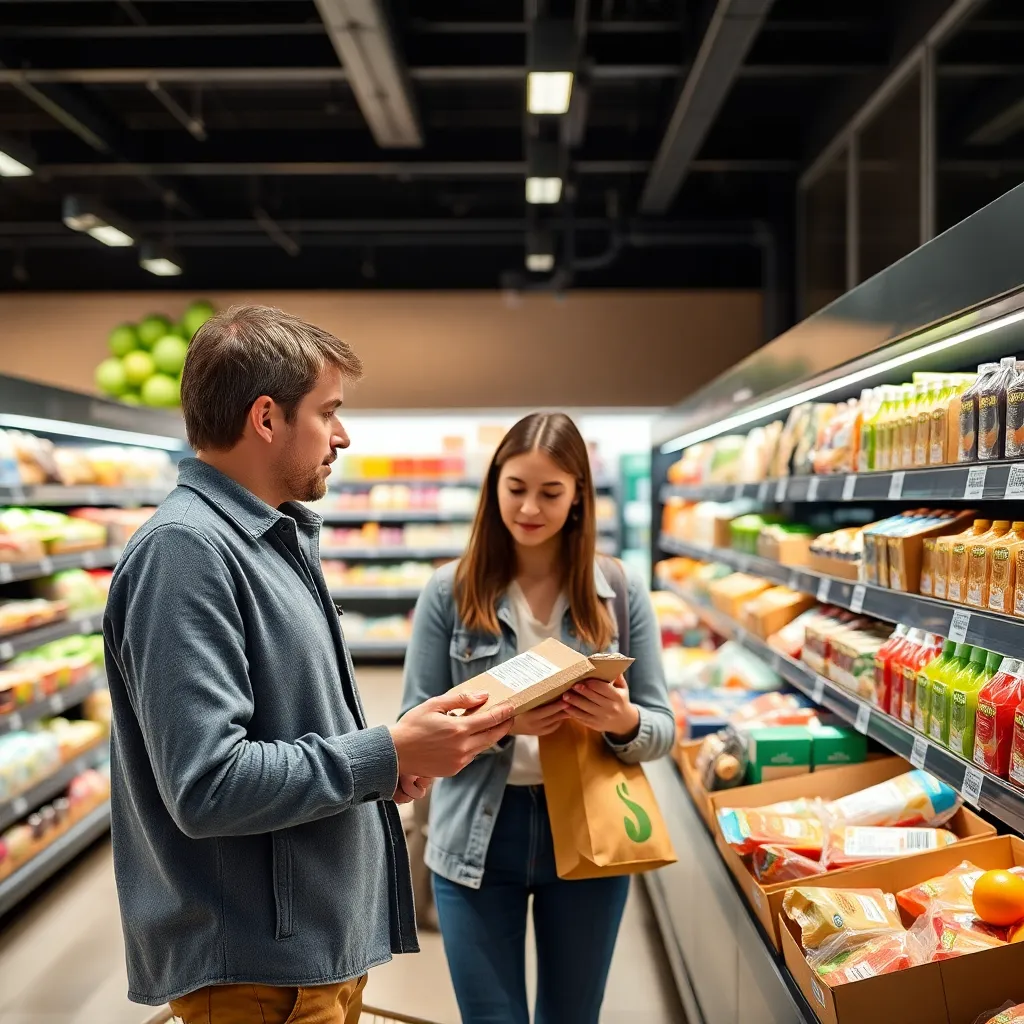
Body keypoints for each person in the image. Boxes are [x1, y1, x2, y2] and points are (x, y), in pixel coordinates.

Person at [102, 305, 514, 1024]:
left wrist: (391, 760)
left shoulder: (269, 538)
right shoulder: (186, 554)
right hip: (253, 971)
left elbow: (289, 728)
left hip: (304, 955)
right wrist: (377, 755)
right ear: (266, 418)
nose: (344, 436)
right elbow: (207, 784)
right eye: (329, 412)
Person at [400, 411, 675, 1024]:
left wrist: (623, 720)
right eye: (515, 488)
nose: (529, 507)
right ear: (494, 485)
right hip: (477, 833)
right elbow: (412, 724)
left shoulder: (620, 592)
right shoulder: (449, 591)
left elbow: (662, 728)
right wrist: (502, 725)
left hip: (586, 831)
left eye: (551, 492)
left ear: (579, 494)